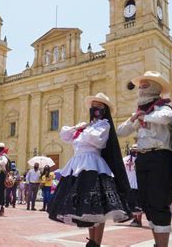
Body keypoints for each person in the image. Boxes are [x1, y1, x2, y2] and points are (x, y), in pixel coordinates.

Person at [117, 71, 172, 247]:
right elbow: (121, 131)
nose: (140, 88)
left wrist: (144, 116)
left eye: (145, 85)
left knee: (159, 202)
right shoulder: (140, 112)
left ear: (155, 87)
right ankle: (157, 244)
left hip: (160, 158)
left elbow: (166, 118)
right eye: (140, 86)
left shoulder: (163, 107)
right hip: (143, 159)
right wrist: (135, 117)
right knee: (147, 202)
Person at [49, 93, 131, 247]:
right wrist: (77, 127)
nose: (95, 109)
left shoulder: (104, 125)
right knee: (86, 208)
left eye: (99, 106)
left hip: (93, 165)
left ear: (104, 109)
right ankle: (91, 242)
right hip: (77, 166)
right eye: (93, 106)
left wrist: (85, 128)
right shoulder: (86, 127)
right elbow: (65, 135)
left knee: (98, 208)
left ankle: (96, 243)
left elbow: (95, 140)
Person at [123, 144, 143, 227]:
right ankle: (136, 220)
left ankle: (138, 220)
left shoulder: (141, 159)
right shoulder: (125, 159)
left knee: (138, 204)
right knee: (133, 204)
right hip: (131, 184)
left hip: (138, 184)